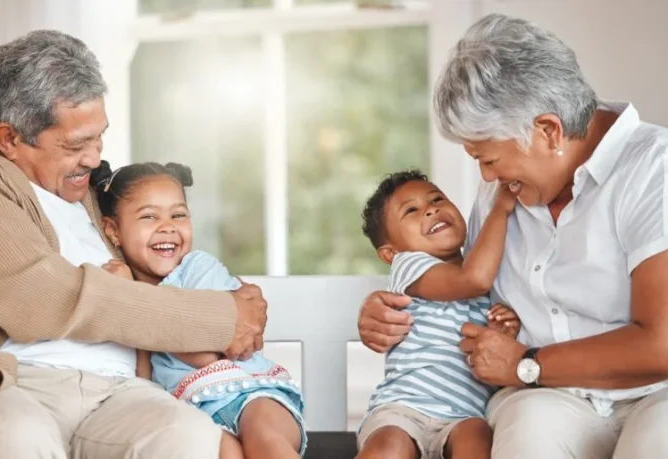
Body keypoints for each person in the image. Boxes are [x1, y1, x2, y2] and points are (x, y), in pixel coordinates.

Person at [0, 30, 267, 459]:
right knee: (17, 437)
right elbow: (45, 299)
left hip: (119, 391)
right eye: (75, 145)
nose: (94, 158)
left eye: (99, 137)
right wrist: (221, 316)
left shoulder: (96, 194)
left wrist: (237, 309)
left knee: (184, 434)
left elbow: (157, 276)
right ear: (9, 139)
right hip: (3, 383)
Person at [357, 13, 668, 459]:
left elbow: (661, 344)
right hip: (544, 395)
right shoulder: (501, 195)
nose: (485, 175)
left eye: (488, 158)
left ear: (548, 130)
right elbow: (454, 280)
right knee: (527, 434)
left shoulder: (655, 169)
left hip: (655, 391)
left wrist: (526, 362)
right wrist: (381, 308)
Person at [90, 159, 307, 459]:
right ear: (113, 230)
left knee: (264, 439)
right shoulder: (129, 296)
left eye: (178, 215)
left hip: (248, 394)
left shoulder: (198, 268)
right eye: (149, 217)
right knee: (218, 451)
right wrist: (131, 301)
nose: (167, 227)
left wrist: (136, 296)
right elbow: (144, 378)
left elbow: (206, 353)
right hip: (192, 413)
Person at [355, 170, 519, 459]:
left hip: (465, 414)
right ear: (390, 253)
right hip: (403, 408)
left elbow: (489, 364)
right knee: (389, 446)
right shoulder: (409, 267)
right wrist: (501, 209)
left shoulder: (489, 286)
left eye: (437, 199)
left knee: (478, 439)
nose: (431, 209)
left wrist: (500, 332)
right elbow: (472, 280)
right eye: (412, 210)